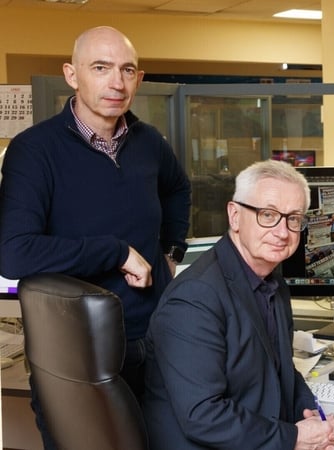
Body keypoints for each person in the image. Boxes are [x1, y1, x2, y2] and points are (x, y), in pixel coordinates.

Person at [0, 26, 190, 449]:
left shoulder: (149, 143)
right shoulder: (34, 151)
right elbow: (14, 253)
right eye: (100, 68)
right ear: (72, 75)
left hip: (155, 339)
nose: (116, 83)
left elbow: (179, 189)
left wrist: (170, 251)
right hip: (75, 354)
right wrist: (117, 252)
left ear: (139, 79)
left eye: (127, 70)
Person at [142, 160, 334, 449]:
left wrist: (315, 419)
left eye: (294, 218)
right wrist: (295, 438)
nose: (282, 232)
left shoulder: (271, 279)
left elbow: (281, 370)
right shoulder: (193, 298)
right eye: (268, 215)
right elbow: (203, 416)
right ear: (235, 216)